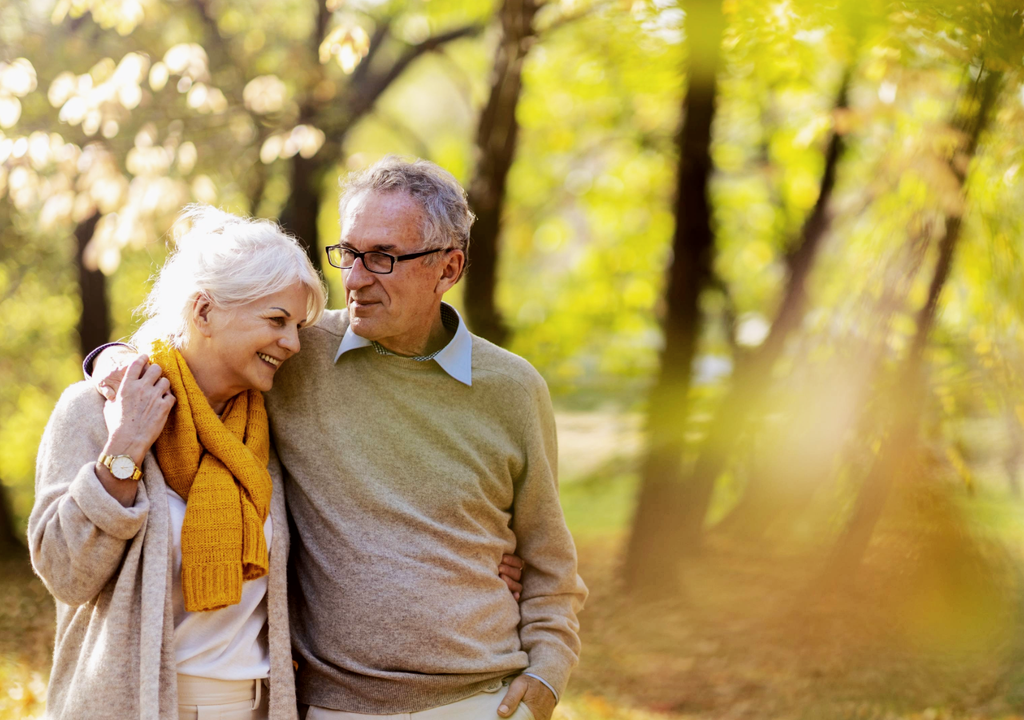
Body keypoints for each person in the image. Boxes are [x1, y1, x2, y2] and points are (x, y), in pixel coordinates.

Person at [92, 156, 586, 720]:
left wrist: (547, 673)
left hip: (480, 699)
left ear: (448, 269)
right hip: (333, 707)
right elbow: (196, 348)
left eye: (382, 258)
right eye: (349, 254)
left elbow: (549, 561)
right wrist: (110, 358)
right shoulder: (297, 352)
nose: (353, 279)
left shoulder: (513, 389)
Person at [29, 206, 325, 720]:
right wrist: (124, 450)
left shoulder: (272, 426)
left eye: (298, 325)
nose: (294, 343)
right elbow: (64, 576)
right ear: (204, 312)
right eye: (277, 320)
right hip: (133, 707)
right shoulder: (97, 411)